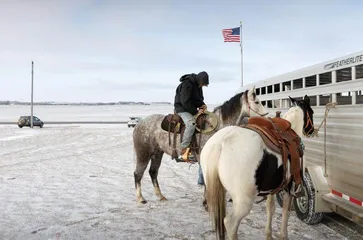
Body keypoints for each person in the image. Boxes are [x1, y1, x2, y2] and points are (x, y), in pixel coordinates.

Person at [174, 71, 209, 162]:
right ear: (199, 80)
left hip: (191, 107)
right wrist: (196, 111)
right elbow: (185, 101)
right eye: (203, 84)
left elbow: (198, 99)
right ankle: (183, 150)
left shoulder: (198, 85)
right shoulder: (187, 84)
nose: (202, 86)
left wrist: (202, 104)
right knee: (191, 123)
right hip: (182, 108)